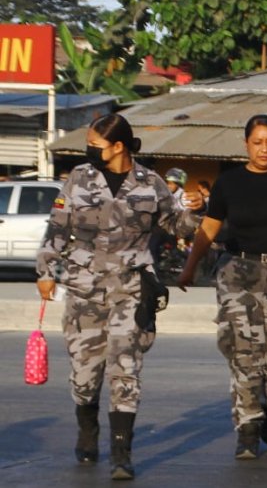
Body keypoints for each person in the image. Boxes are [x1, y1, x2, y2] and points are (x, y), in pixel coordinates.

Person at [35, 114, 202, 480]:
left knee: (126, 366)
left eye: (95, 143)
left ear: (118, 146)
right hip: (84, 290)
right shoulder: (79, 179)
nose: (90, 149)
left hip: (131, 287)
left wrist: (195, 210)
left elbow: (174, 224)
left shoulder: (150, 182)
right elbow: (57, 229)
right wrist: (46, 271)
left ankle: (122, 453)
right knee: (85, 373)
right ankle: (87, 428)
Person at [177, 115, 267, 460]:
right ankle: (247, 429)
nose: (264, 149)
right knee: (244, 354)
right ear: (246, 144)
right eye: (257, 142)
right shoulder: (229, 183)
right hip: (237, 272)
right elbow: (209, 226)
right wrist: (189, 268)